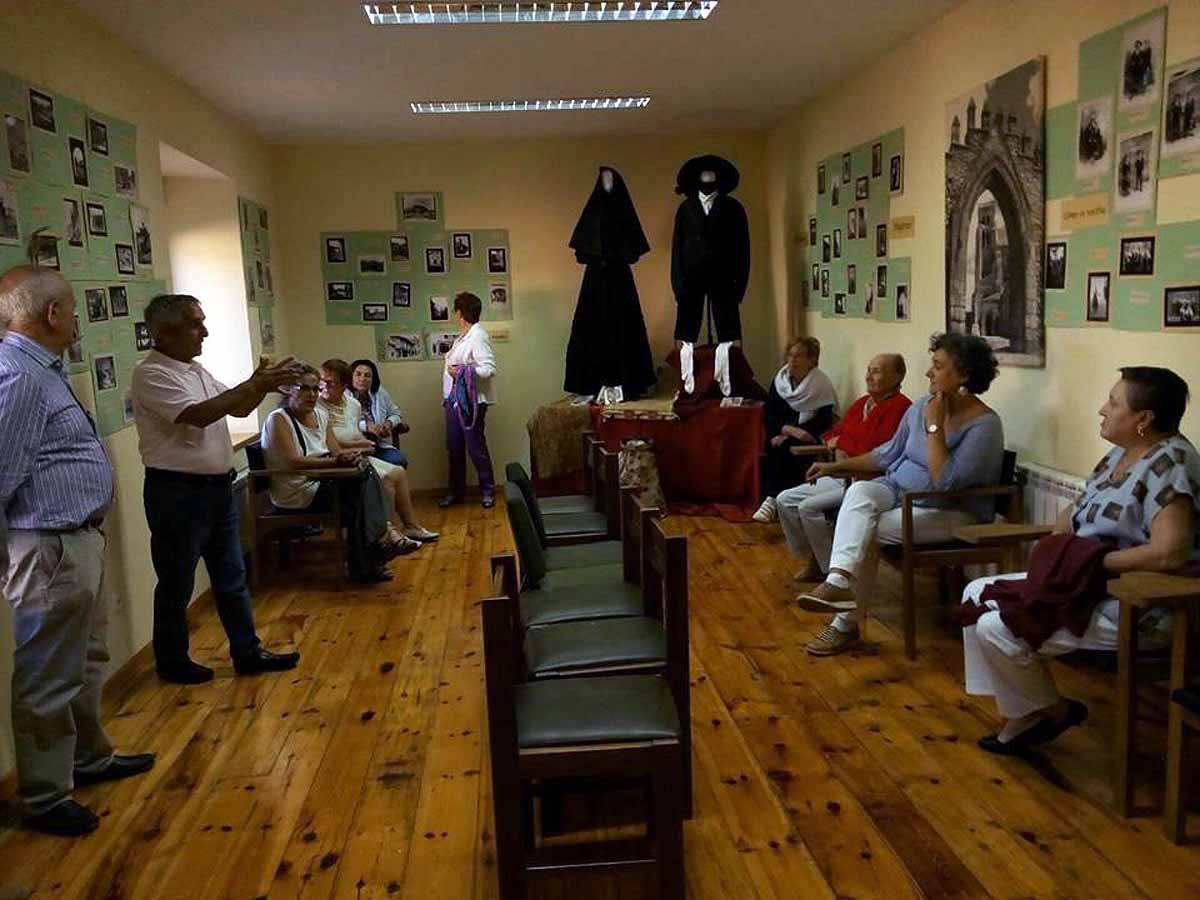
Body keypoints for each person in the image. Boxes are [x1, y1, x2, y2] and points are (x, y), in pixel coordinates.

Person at [961, 367, 1197, 755]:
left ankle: (1045, 711)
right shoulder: (1120, 454)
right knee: (976, 591)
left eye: (1114, 402)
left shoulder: (1171, 465)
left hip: (1139, 603)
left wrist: (1094, 563)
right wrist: (1059, 557)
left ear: (1144, 419)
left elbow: (1168, 552)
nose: (1102, 409)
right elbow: (1079, 510)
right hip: (1087, 581)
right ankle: (1033, 709)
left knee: (994, 626)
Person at [0, 264, 153, 836]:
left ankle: (89, 759)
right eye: (73, 308)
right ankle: (43, 795)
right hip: (47, 548)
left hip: (75, 539)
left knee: (86, 661)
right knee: (46, 674)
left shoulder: (44, 370)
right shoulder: (16, 374)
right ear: (52, 314)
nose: (78, 319)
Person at [131, 294, 305, 685]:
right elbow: (198, 415)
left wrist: (262, 385)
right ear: (165, 331)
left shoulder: (196, 370)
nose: (204, 331)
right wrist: (254, 383)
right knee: (177, 581)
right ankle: (172, 661)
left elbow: (239, 408)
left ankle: (247, 652)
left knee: (231, 575)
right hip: (177, 493)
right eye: (195, 323)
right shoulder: (152, 374)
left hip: (216, 490)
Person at [794, 333, 1004, 656]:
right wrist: (835, 468)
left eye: (937, 366)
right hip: (899, 494)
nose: (928, 373)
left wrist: (934, 428)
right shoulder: (922, 405)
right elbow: (886, 454)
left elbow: (945, 481)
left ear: (963, 375)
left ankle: (844, 625)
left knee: (864, 530)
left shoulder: (985, 425)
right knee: (861, 491)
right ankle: (837, 581)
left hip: (953, 511)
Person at [261, 366, 416, 581]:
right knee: (360, 495)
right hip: (298, 490)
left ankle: (373, 556)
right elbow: (292, 462)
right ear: (288, 390)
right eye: (304, 388)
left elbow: (335, 450)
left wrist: (348, 456)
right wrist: (335, 461)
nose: (312, 395)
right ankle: (378, 550)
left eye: (316, 389)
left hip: (323, 480)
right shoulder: (279, 419)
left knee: (364, 479)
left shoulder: (320, 415)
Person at [776, 354, 912, 581]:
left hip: (867, 480)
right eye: (868, 369)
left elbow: (874, 449)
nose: (869, 375)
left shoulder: (901, 408)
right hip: (840, 472)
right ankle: (816, 557)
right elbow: (833, 435)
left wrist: (842, 446)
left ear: (897, 376)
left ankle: (832, 573)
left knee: (809, 507)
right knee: (784, 500)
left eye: (876, 371)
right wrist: (840, 446)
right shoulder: (862, 403)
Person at [318, 358, 436, 543]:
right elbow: (330, 441)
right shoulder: (318, 406)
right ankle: (387, 534)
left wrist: (387, 425)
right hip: (341, 457)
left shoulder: (354, 404)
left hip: (367, 448)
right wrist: (365, 439)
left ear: (343, 384)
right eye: (322, 381)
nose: (324, 386)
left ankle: (411, 526)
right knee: (385, 478)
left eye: (330, 382)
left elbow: (392, 414)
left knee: (398, 471)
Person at [753, 337, 837, 523]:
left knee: (789, 448)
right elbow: (770, 413)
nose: (792, 360)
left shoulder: (821, 385)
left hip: (809, 437)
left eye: (799, 356)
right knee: (774, 445)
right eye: (790, 355)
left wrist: (795, 433)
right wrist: (786, 430)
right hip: (782, 432)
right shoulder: (780, 380)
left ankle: (774, 500)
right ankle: (773, 499)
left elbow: (823, 423)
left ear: (812, 360)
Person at [438, 292, 497, 509]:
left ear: (460, 313)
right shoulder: (464, 336)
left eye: (456, 311)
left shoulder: (478, 336)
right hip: (453, 401)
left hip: (471, 403)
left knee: (475, 447)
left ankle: (488, 490)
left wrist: (462, 371)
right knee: (454, 447)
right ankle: (456, 492)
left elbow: (489, 369)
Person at [349, 357, 409, 467]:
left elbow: (396, 413)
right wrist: (366, 426)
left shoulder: (379, 392)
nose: (362, 379)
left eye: (367, 375)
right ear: (350, 377)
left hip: (379, 445)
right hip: (354, 448)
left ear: (373, 379)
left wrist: (389, 423)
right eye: (358, 374)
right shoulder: (344, 395)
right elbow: (345, 422)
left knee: (399, 461)